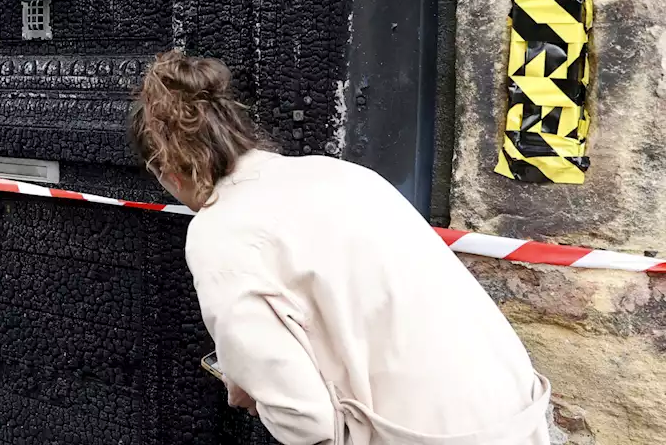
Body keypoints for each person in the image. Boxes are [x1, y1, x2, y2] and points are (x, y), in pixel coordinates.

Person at [129, 51, 550, 445]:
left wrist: (255, 393)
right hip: (519, 413)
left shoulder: (219, 231)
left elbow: (305, 419)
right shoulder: (341, 174)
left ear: (166, 171)